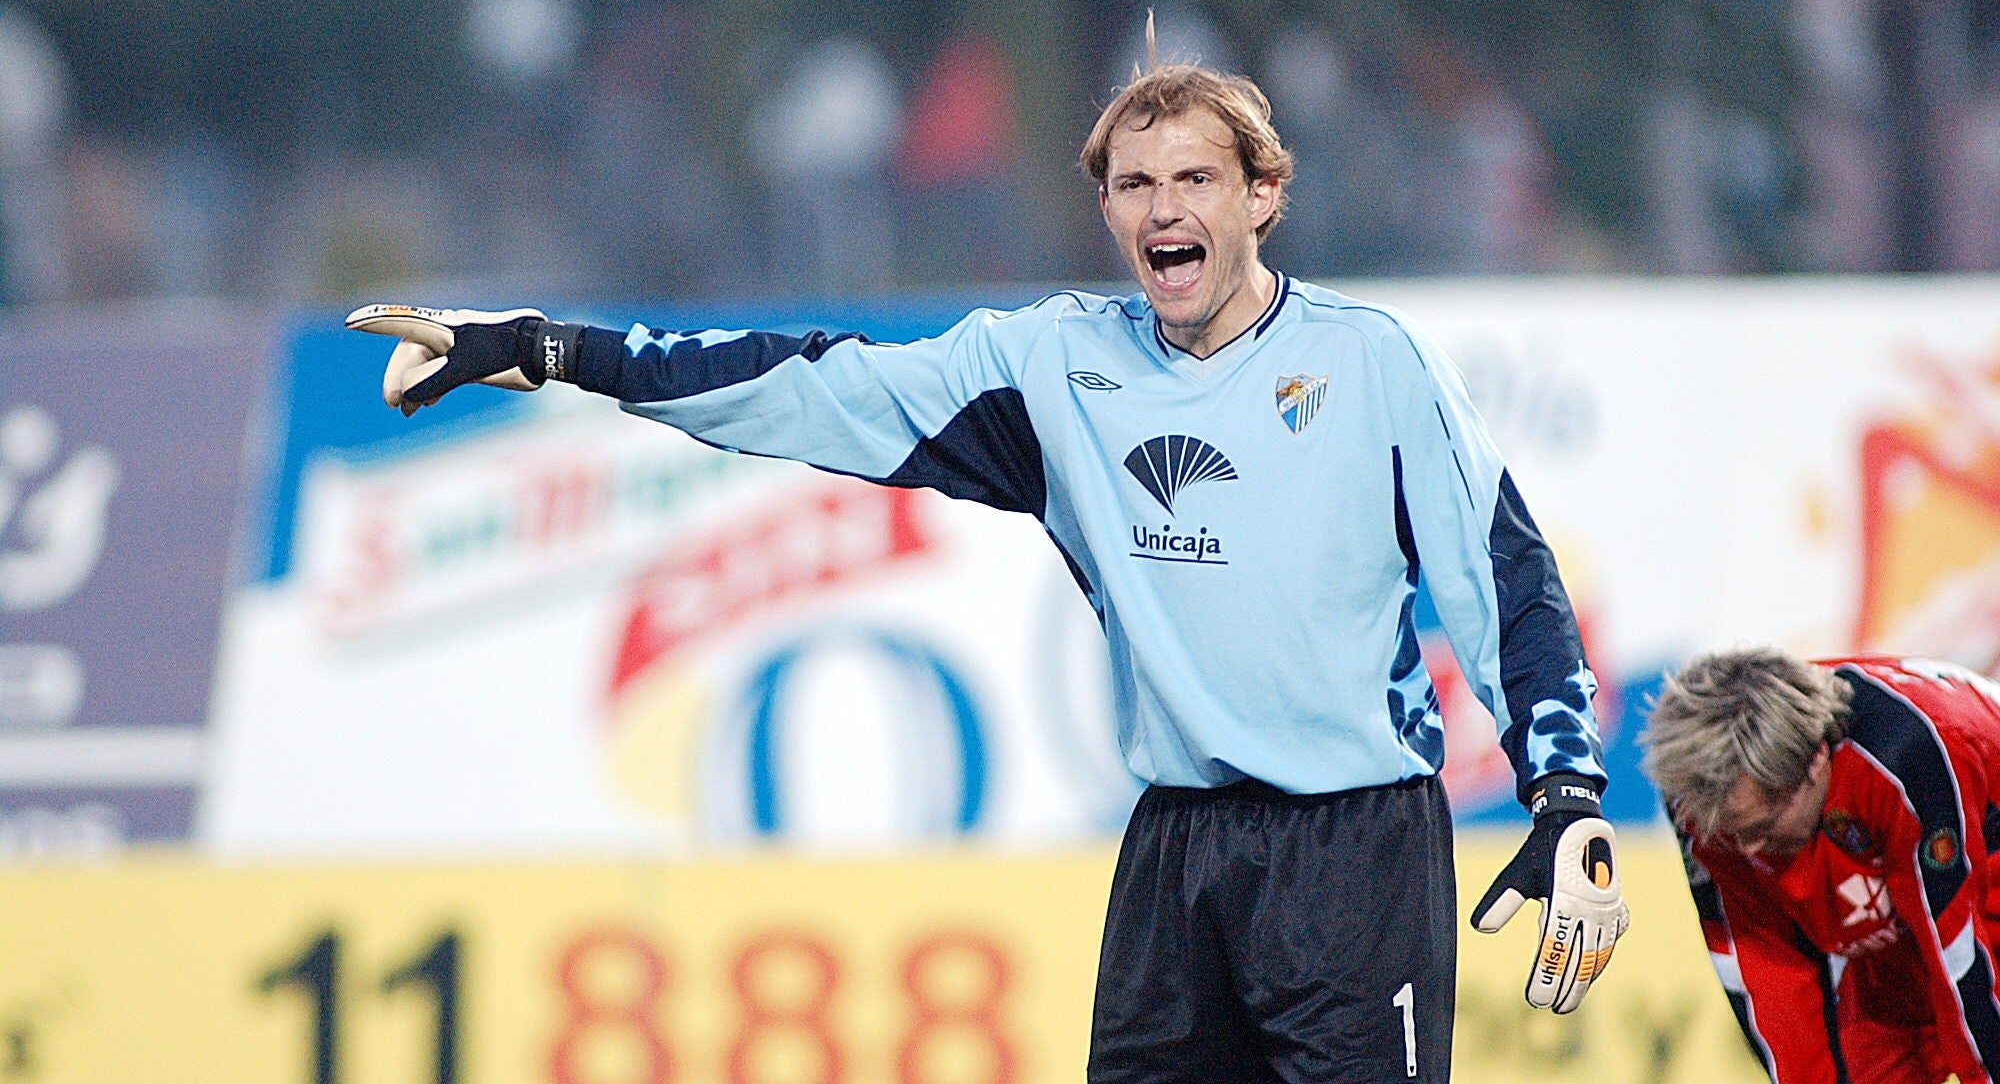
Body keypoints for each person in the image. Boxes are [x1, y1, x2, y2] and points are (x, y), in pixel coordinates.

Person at [347, 59, 1628, 1082]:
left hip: (1352, 849)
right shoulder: (1048, 367)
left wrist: (1564, 796)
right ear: (1109, 208)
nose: (1162, 208)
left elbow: (1503, 578)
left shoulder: (1372, 365)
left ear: (1261, 196)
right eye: (1132, 184)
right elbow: (811, 383)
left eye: (1194, 177)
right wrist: (554, 348)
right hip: (1174, 851)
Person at [1643, 646, 2000, 1084]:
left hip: (1984, 887)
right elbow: (1766, 981)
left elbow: (1962, 962)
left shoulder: (1905, 752)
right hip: (1896, 933)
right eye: (1730, 836)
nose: (1749, 851)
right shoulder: (1703, 796)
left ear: (1814, 761)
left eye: (1763, 827)